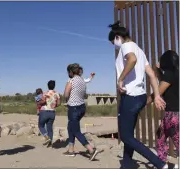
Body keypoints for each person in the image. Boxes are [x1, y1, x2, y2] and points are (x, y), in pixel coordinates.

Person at [108, 21, 167, 169]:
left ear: (117, 37)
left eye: (112, 42)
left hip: (131, 97)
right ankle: (127, 165)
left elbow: (132, 60)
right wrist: (157, 95)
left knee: (126, 136)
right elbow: (152, 75)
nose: (113, 45)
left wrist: (120, 79)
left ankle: (160, 164)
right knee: (129, 135)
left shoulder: (126, 46)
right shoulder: (140, 50)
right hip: (140, 97)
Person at [147, 50, 179, 169]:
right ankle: (161, 163)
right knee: (160, 135)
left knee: (177, 140)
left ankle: (161, 163)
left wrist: (143, 103)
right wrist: (157, 69)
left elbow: (158, 92)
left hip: (173, 115)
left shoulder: (170, 74)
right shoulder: (174, 73)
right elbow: (163, 79)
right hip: (174, 113)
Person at [63, 63, 99, 161]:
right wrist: (91, 77)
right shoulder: (82, 80)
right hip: (82, 107)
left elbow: (66, 93)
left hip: (73, 108)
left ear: (70, 71)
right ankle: (71, 150)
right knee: (70, 127)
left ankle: (91, 149)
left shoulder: (71, 80)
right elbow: (89, 80)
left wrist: (66, 100)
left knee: (75, 130)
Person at [37, 80, 60, 148]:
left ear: (48, 85)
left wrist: (39, 103)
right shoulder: (56, 93)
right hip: (52, 112)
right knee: (49, 128)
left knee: (40, 126)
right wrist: (53, 106)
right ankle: (50, 143)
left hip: (44, 112)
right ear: (54, 86)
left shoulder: (45, 93)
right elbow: (58, 103)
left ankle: (47, 138)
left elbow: (43, 101)